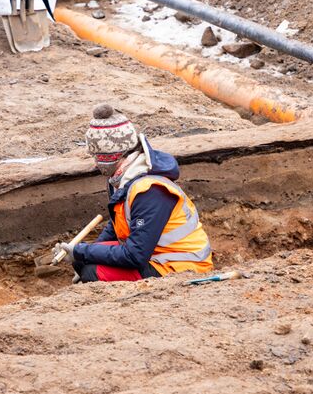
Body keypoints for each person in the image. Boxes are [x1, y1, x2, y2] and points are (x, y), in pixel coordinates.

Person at [54, 104, 212, 283]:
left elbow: (135, 255)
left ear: (109, 157)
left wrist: (81, 253)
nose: (95, 163)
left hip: (181, 265)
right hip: (157, 254)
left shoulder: (149, 190)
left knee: (93, 271)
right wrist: (80, 255)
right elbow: (117, 226)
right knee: (86, 262)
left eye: (96, 156)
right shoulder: (124, 179)